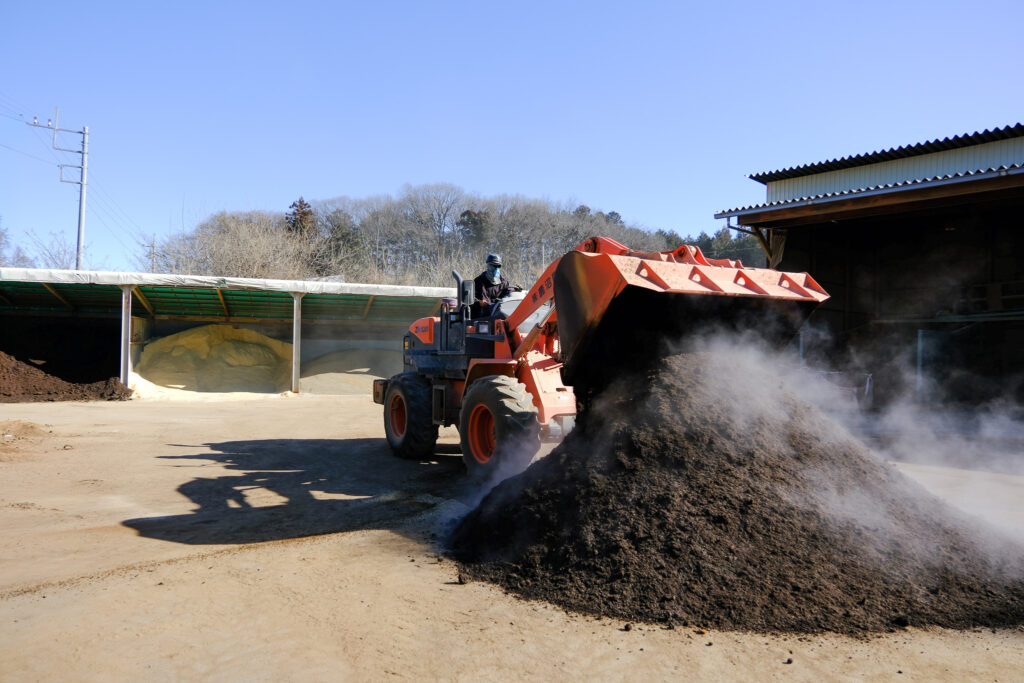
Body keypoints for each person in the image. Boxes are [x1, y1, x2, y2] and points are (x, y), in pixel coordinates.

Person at [472, 253, 520, 317]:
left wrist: (517, 290)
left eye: (498, 266)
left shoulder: (504, 283)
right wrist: (479, 303)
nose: (496, 268)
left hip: (498, 314)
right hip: (481, 316)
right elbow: (470, 298)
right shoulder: (478, 281)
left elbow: (510, 293)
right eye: (494, 266)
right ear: (488, 265)